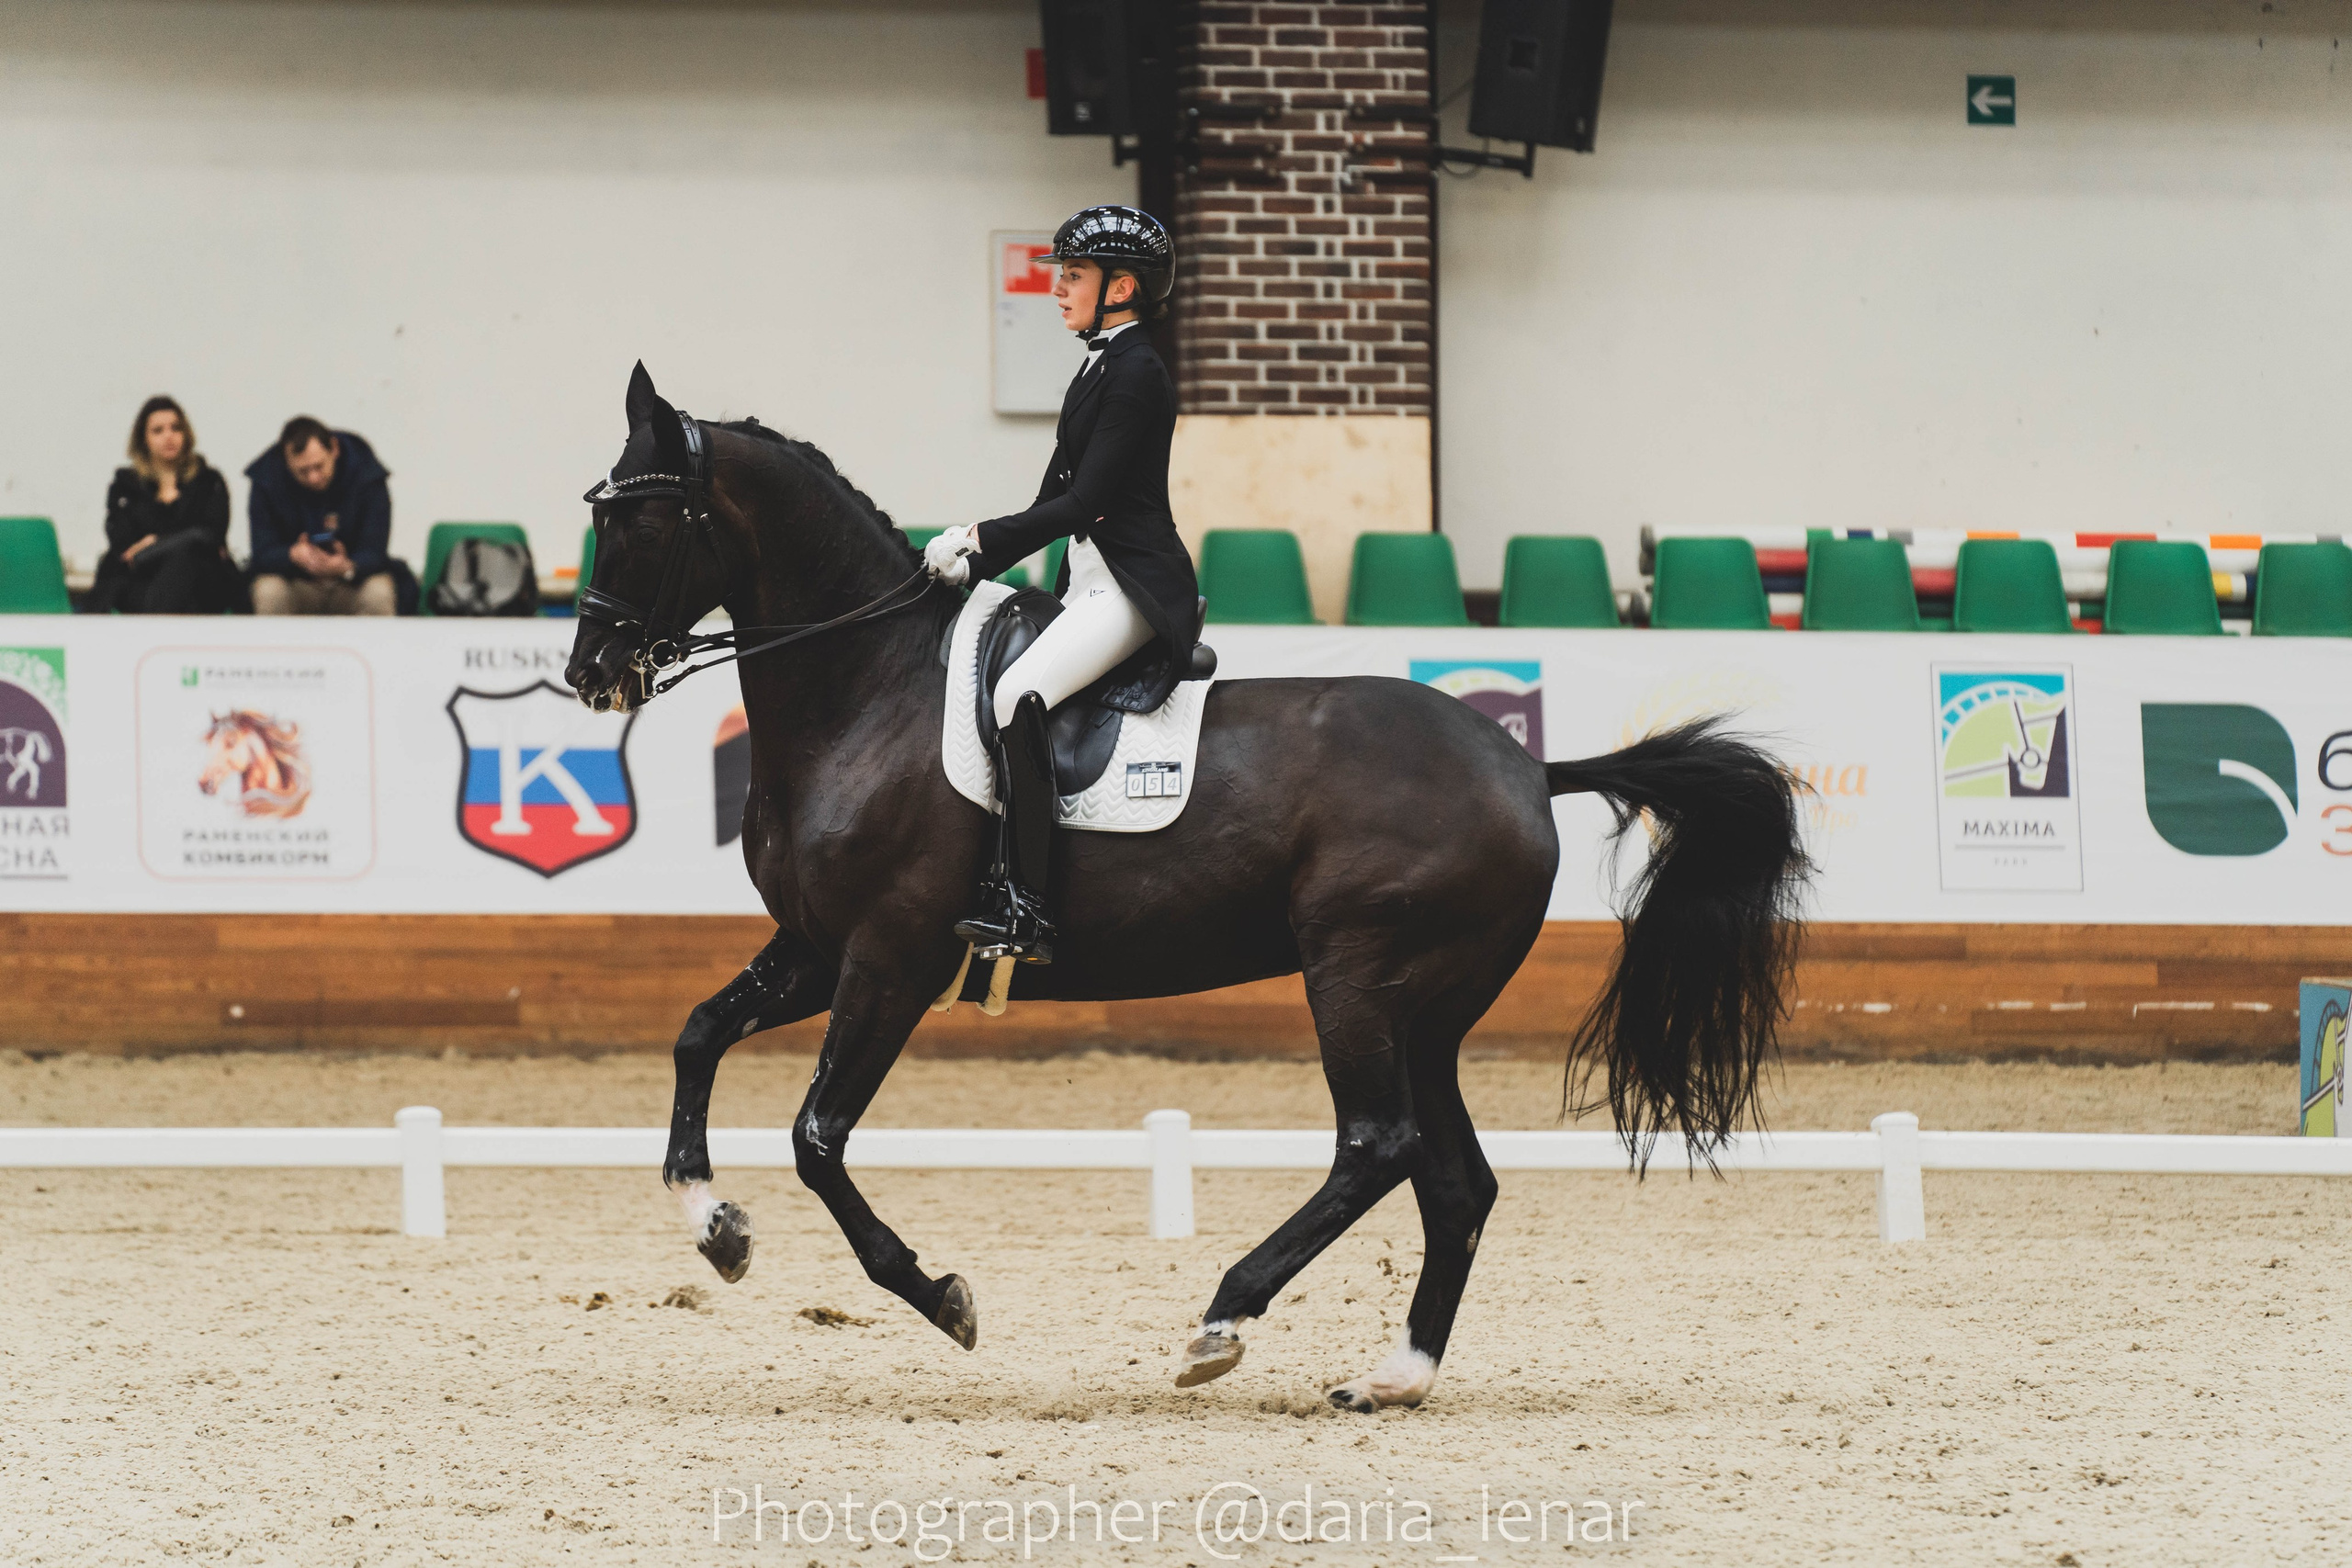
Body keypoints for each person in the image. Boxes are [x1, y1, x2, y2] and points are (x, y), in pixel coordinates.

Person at [922, 204, 1199, 964]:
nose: (1059, 289)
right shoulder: (1097, 365)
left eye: (1074, 275)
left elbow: (1085, 504)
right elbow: (1054, 499)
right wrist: (975, 562)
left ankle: (1027, 903)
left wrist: (980, 540)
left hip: (1132, 591)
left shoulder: (1138, 370)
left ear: (1122, 287)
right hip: (1087, 583)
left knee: (1016, 698)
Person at [87, 396, 246, 615]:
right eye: (158, 430)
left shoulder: (209, 480)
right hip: (140, 581)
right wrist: (181, 539)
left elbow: (211, 534)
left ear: (186, 434)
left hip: (203, 581)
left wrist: (156, 542)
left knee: (185, 562)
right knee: (175, 573)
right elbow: (124, 546)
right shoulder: (125, 486)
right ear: (143, 439)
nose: (169, 436)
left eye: (176, 428)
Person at [246, 416, 397, 615]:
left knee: (379, 592)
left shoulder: (367, 476)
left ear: (334, 449)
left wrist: (347, 566)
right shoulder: (267, 481)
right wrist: (292, 555)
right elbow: (262, 553)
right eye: (302, 471)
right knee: (269, 591)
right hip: (296, 583)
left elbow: (376, 551)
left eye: (319, 466)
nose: (313, 478)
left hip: (351, 582)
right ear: (286, 460)